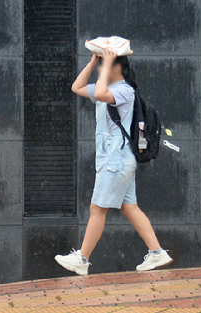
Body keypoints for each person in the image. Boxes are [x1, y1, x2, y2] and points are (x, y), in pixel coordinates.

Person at [55, 49, 173, 275]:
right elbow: (77, 87)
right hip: (116, 159)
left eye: (105, 66)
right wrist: (92, 63)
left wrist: (107, 64)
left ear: (117, 67)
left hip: (116, 160)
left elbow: (99, 94)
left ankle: (82, 259)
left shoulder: (125, 91)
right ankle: (157, 253)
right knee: (130, 208)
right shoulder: (109, 87)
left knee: (97, 208)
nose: (101, 70)